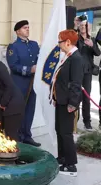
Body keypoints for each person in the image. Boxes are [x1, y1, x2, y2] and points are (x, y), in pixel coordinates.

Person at [50, 29, 83, 176]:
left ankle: (71, 165)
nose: (58, 44)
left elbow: (76, 83)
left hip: (68, 102)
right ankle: (62, 157)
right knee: (60, 131)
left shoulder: (76, 58)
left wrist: (73, 104)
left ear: (68, 42)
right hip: (61, 100)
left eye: (60, 41)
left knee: (66, 133)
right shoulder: (67, 57)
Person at [6, 20, 41, 147]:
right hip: (19, 83)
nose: (27, 29)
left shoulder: (34, 44)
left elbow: (39, 59)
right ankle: (18, 136)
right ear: (18, 31)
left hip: (33, 83)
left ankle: (27, 135)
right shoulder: (13, 47)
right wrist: (29, 69)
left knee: (30, 109)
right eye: (25, 28)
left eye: (28, 27)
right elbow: (13, 65)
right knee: (19, 109)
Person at [76, 16, 101, 131]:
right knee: (76, 96)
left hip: (87, 73)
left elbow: (97, 53)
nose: (83, 28)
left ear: (88, 28)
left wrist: (92, 45)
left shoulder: (92, 39)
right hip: (76, 71)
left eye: (84, 26)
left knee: (86, 97)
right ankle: (74, 121)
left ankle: (87, 122)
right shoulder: (75, 39)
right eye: (81, 26)